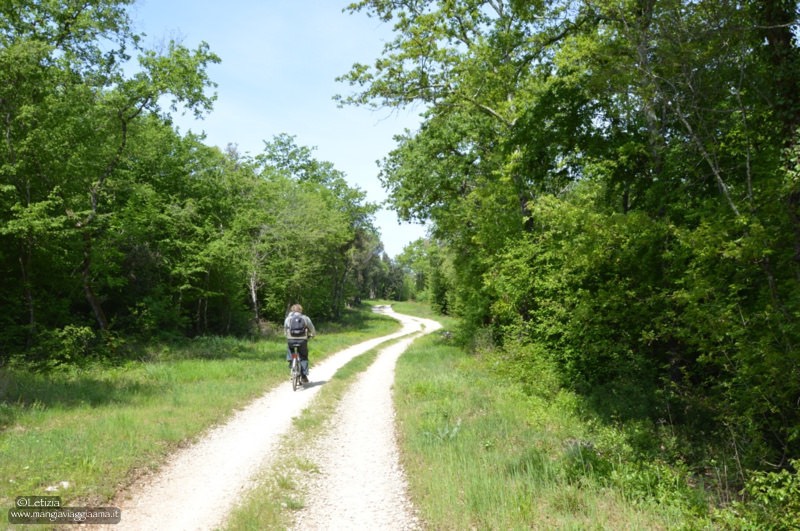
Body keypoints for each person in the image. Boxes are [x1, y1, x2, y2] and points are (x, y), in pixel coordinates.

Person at [284, 303, 316, 383]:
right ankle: (304, 376)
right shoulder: (305, 318)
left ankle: (291, 361)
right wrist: (313, 335)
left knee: (290, 349)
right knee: (303, 356)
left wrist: (286, 335)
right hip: (302, 340)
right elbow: (312, 328)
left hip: (291, 339)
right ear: (300, 310)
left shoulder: (288, 318)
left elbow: (285, 329)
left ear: (292, 310)